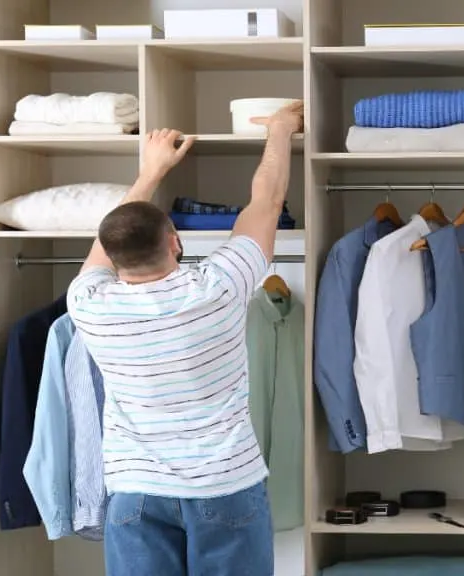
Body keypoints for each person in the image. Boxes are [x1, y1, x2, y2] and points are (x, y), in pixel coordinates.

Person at [66, 100, 304, 576]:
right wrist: (279, 131)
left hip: (135, 493)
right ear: (175, 241)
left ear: (113, 258)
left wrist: (150, 172)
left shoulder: (88, 303)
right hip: (225, 486)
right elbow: (267, 204)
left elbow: (106, 240)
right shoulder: (218, 287)